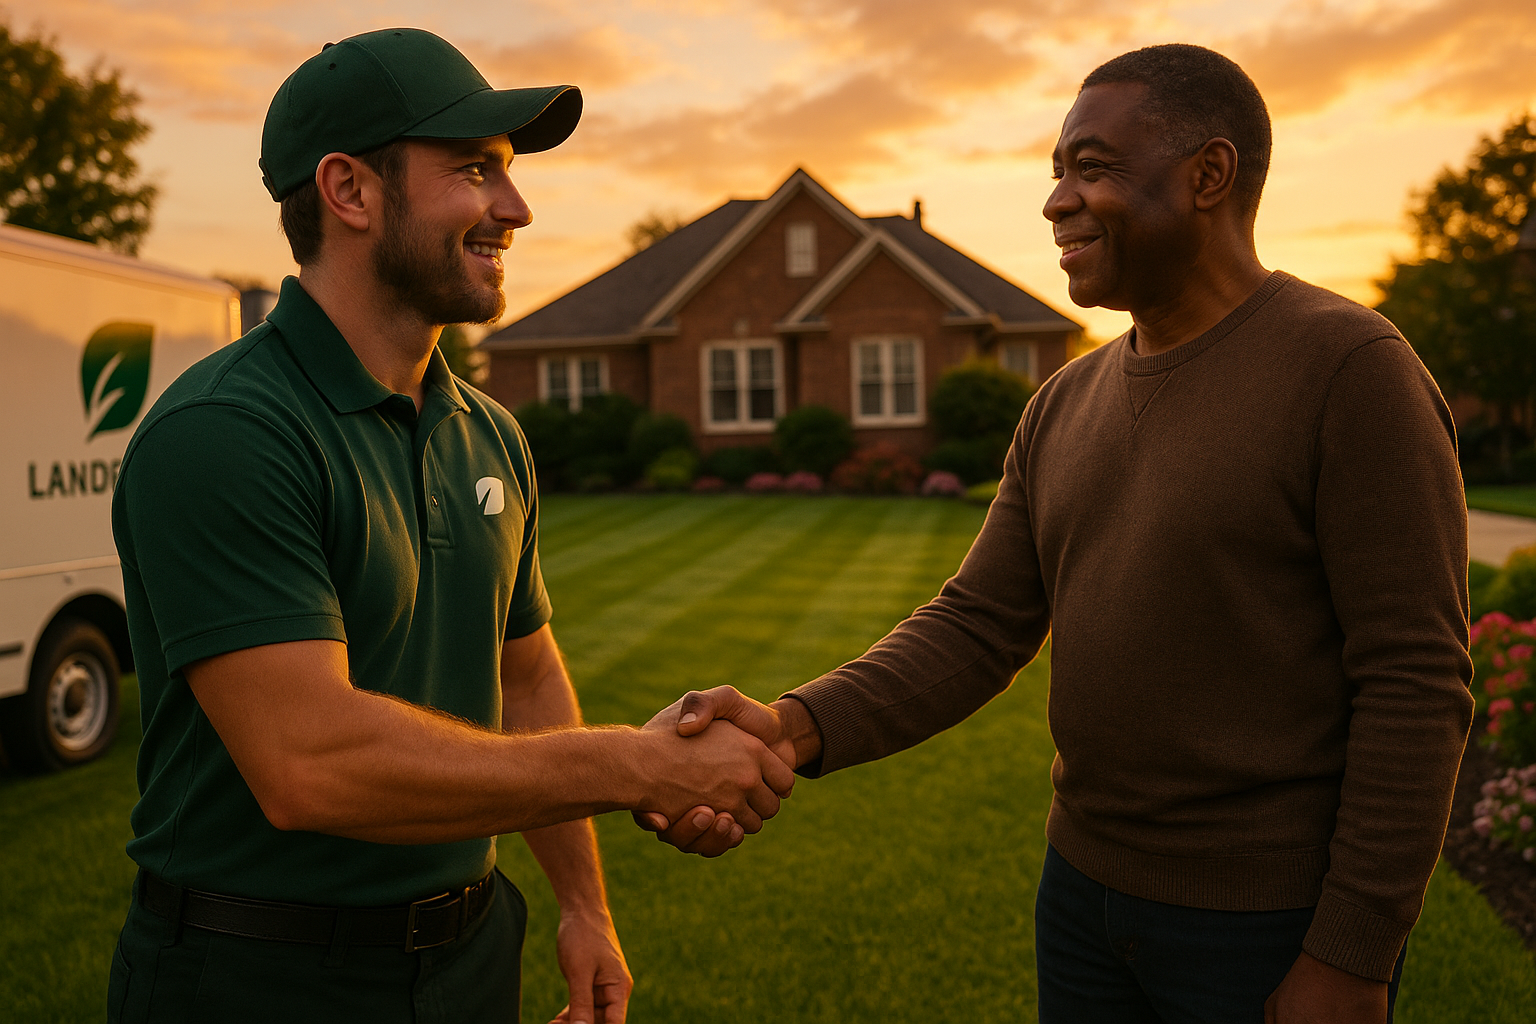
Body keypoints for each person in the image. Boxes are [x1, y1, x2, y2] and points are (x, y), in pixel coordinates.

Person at [641, 43, 1473, 1023]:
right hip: (1081, 897)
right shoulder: (1062, 403)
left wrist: (1354, 952)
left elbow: (1416, 680)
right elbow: (978, 623)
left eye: (1093, 166)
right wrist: (788, 725)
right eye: (1056, 170)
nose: (1056, 199)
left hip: (1263, 923)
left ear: (1210, 175)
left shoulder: (1348, 370)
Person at [107, 28, 792, 1024]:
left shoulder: (490, 434)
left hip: (471, 954)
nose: (514, 209)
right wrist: (640, 764)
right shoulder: (226, 432)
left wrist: (583, 905)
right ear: (350, 191)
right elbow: (311, 764)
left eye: (506, 175)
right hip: (259, 974)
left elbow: (524, 676)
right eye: (474, 170)